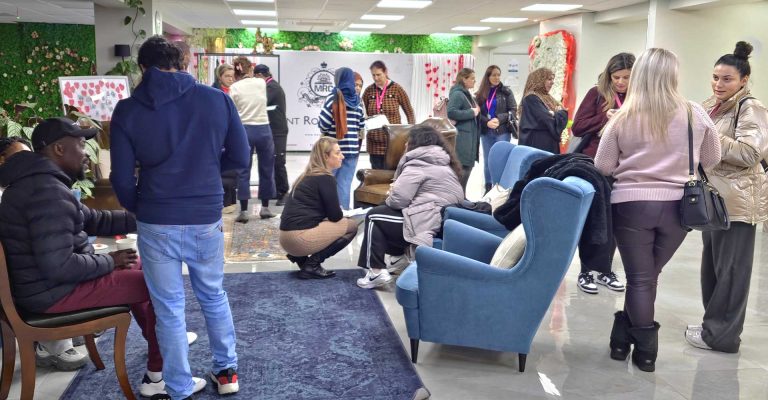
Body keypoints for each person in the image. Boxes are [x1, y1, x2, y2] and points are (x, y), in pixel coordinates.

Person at [0, 119, 210, 399]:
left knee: (138, 266)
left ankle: (164, 342)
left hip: (44, 287)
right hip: (52, 294)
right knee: (160, 285)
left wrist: (147, 215)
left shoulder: (41, 183)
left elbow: (94, 219)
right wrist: (111, 261)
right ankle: (162, 377)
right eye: (81, 144)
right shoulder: (45, 192)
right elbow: (59, 266)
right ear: (60, 148)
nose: (87, 152)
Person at [110, 36, 249, 398]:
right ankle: (227, 373)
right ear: (184, 63)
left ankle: (179, 386)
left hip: (156, 217)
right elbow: (240, 156)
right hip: (205, 212)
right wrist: (206, 171)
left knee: (168, 307)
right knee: (213, 295)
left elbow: (121, 178)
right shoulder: (217, 99)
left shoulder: (127, 110)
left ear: (143, 68)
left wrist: (140, 207)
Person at [594, 48, 721, 372]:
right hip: (680, 208)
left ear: (640, 76)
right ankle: (622, 342)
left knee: (640, 278)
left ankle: (643, 352)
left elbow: (603, 164)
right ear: (674, 75)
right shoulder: (694, 112)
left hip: (631, 205)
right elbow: (712, 158)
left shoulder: (624, 115)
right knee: (646, 278)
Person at [686, 41, 768, 353]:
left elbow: (749, 153)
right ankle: (713, 327)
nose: (719, 84)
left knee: (731, 272)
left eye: (727, 79)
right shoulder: (717, 105)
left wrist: (709, 135)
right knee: (714, 269)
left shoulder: (752, 108)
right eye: (716, 77)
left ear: (744, 80)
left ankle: (723, 337)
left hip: (738, 204)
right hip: (716, 201)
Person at [0, 136, 89, 372]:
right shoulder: (14, 194)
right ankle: (55, 342)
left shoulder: (32, 187)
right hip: (29, 286)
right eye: (20, 156)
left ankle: (59, 337)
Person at [356, 125, 464, 289]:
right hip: (440, 218)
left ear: (414, 144)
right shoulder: (442, 162)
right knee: (383, 213)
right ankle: (398, 258)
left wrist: (391, 193)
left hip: (426, 220)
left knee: (374, 216)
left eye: (407, 142)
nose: (405, 145)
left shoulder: (418, 163)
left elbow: (398, 200)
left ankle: (376, 271)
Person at [570, 53, 635, 295]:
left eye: (626, 78)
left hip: (626, 165)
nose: (620, 82)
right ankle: (586, 271)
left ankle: (606, 270)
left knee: (616, 221)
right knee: (594, 219)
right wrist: (603, 117)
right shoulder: (596, 94)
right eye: (616, 77)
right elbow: (577, 126)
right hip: (595, 165)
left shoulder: (639, 97)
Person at [279, 137, 358, 279]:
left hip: (286, 239)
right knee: (351, 225)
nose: (342, 156)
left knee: (338, 222)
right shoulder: (325, 178)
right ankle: (312, 265)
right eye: (338, 153)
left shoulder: (308, 175)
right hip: (298, 240)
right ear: (325, 156)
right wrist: (343, 214)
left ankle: (302, 259)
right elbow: (335, 216)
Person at [230, 56, 277, 221]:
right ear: (250, 69)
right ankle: (265, 208)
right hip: (264, 129)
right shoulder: (261, 83)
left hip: (244, 130)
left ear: (236, 71)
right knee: (266, 169)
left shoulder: (234, 87)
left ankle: (243, 211)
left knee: (243, 170)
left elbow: (233, 111)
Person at [318, 67, 365, 209]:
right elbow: (361, 126)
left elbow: (323, 125)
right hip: (352, 151)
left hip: (333, 151)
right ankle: (343, 215)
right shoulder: (358, 101)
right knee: (344, 184)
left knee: (328, 183)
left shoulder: (333, 98)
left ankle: (328, 214)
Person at [362, 60, 415, 169]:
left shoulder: (397, 89)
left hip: (393, 141)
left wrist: (411, 134)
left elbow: (409, 111)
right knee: (377, 175)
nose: (376, 78)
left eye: (378, 75)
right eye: (373, 75)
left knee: (392, 174)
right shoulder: (369, 91)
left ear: (385, 72)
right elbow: (362, 113)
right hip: (374, 143)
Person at [475, 65, 517, 193]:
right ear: (488, 77)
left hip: (502, 130)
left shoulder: (506, 92)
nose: (497, 77)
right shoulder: (480, 94)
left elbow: (513, 110)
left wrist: (500, 119)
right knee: (488, 160)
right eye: (493, 75)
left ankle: (499, 189)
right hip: (486, 131)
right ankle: (488, 188)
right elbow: (477, 113)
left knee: (501, 159)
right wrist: (487, 122)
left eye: (498, 74)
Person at [253, 64, 290, 206]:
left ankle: (284, 192)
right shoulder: (269, 86)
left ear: (261, 76)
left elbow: (261, 102)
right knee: (271, 160)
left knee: (278, 160)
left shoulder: (272, 87)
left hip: (278, 130)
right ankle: (274, 190)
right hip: (272, 128)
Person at [518, 67, 568, 154]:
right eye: (549, 79)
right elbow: (548, 120)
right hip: (537, 146)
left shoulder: (547, 97)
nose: (552, 82)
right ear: (539, 80)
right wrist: (558, 113)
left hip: (547, 144)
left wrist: (556, 114)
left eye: (553, 79)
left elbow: (564, 114)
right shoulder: (531, 98)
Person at [447, 67, 480, 191]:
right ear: (464, 79)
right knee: (462, 169)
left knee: (466, 168)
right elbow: (451, 112)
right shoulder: (458, 94)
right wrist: (471, 113)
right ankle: (458, 199)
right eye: (472, 78)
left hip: (468, 138)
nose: (474, 81)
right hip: (463, 139)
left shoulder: (465, 94)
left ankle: (461, 198)